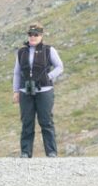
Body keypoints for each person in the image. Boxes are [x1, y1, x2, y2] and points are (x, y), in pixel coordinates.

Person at [12, 23, 64, 158]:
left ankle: (51, 152)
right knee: (27, 122)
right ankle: (25, 152)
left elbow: (59, 66)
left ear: (41, 36)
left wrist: (49, 76)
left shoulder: (49, 50)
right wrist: (16, 91)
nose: (33, 37)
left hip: (44, 91)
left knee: (46, 121)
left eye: (36, 35)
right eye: (30, 34)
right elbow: (17, 73)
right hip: (25, 91)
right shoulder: (21, 52)